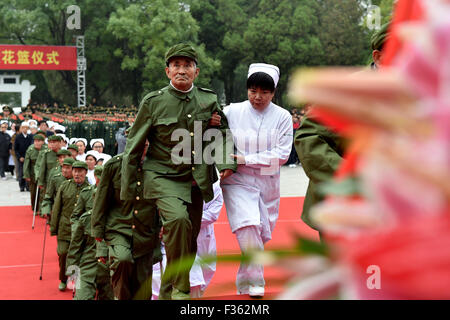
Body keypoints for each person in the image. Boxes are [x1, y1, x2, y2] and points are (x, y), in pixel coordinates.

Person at [121, 43, 236, 300]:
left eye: (187, 66)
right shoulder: (153, 102)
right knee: (178, 221)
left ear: (196, 72)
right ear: (167, 71)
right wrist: (127, 194)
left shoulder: (208, 99)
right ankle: (181, 290)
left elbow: (221, 134)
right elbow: (133, 147)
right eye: (176, 66)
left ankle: (166, 293)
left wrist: (226, 163)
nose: (181, 70)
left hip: (195, 179)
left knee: (189, 241)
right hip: (161, 175)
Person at [220, 63, 293, 297]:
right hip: (237, 180)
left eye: (264, 92)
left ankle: (244, 280)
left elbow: (282, 155)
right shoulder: (231, 111)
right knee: (247, 225)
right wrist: (226, 163)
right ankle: (257, 282)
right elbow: (216, 138)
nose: (257, 97)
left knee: (260, 233)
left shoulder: (282, 117)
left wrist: (247, 158)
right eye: (253, 91)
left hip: (267, 183)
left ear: (273, 93)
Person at [92, 147, 161, 300]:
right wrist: (98, 232)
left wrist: (162, 226)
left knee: (142, 281)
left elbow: (161, 199)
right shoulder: (114, 165)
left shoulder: (157, 165)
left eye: (146, 144)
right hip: (119, 227)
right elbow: (101, 200)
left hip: (146, 229)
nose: (142, 148)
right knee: (122, 260)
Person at [152, 180, 223, 299]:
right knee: (190, 281)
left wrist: (187, 222)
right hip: (168, 239)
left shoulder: (209, 175)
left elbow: (214, 211)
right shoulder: (161, 173)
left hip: (201, 236)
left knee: (201, 277)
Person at [66, 165, 114, 300]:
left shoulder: (117, 219)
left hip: (109, 269)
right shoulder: (86, 219)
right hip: (88, 267)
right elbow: (74, 249)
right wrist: (72, 276)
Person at [50, 161, 90, 291]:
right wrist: (54, 227)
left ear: (86, 172)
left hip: (81, 230)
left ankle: (73, 281)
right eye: (75, 171)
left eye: (80, 171)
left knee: (76, 255)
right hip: (64, 228)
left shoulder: (90, 189)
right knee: (63, 253)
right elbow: (56, 208)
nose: (77, 174)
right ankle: (63, 278)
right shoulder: (64, 186)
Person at [23, 134, 46, 212]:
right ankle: (35, 208)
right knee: (33, 192)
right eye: (35, 141)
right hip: (33, 174)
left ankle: (42, 209)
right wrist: (26, 174)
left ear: (42, 142)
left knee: (43, 192)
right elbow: (26, 163)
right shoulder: (30, 149)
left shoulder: (46, 149)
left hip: (43, 174)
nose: (36, 143)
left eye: (38, 141)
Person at [14, 122, 33, 191]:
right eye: (23, 127)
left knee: (28, 172)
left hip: (28, 157)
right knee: (21, 172)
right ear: (21, 128)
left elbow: (32, 146)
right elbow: (15, 149)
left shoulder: (30, 136)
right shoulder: (18, 137)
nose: (24, 129)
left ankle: (28, 186)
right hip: (21, 157)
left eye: (26, 128)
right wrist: (19, 157)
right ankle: (21, 186)